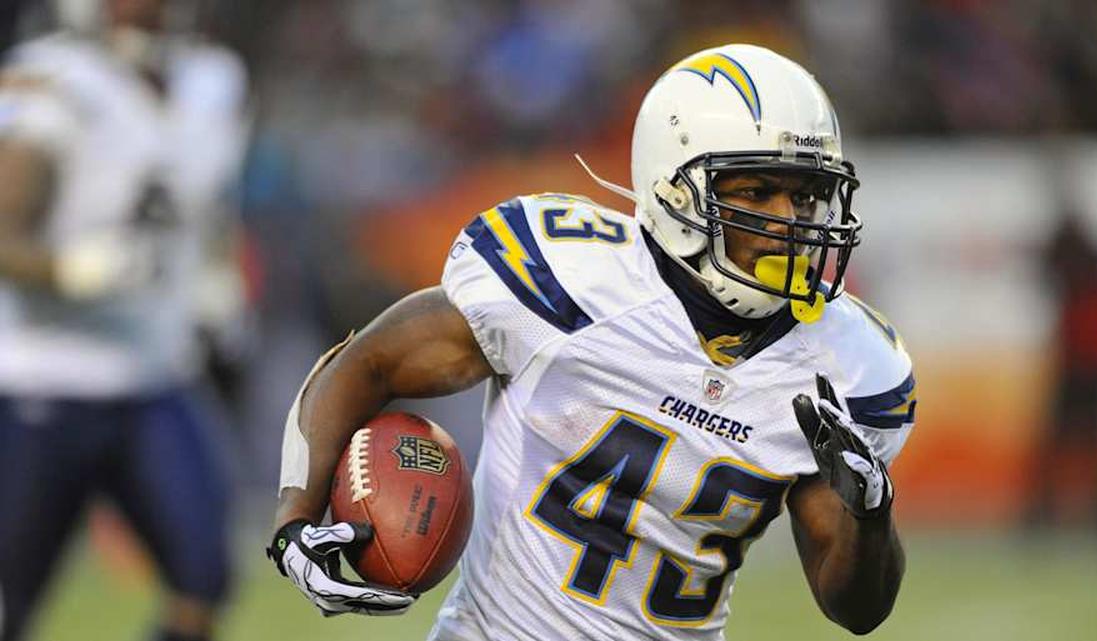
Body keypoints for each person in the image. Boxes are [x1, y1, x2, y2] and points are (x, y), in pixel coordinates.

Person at [269, 44, 917, 639]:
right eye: (758, 190)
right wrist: (294, 519)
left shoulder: (845, 364)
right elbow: (370, 363)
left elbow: (855, 609)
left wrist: (871, 513)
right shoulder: (571, 280)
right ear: (674, 190)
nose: (788, 220)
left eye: (806, 195)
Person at [0, 1, 248, 640]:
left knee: (205, 578)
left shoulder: (212, 79)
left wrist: (214, 279)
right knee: (9, 604)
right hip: (40, 378)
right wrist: (71, 270)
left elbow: (203, 208)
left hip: (153, 374)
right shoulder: (49, 78)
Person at [1023, 207, 1097, 530]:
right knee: (1085, 440)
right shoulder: (1091, 267)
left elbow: (1046, 272)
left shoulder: (1084, 269)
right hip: (1086, 361)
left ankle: (1094, 508)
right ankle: (1095, 508)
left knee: (1079, 440)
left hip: (1086, 362)